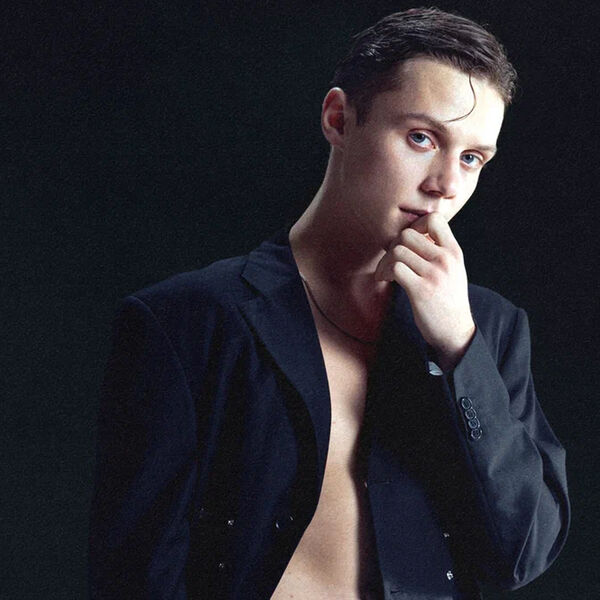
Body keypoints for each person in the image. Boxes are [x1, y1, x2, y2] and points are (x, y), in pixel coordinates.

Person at [89, 7, 570, 599]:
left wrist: (459, 352)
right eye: (421, 138)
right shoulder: (189, 321)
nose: (446, 183)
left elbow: (524, 552)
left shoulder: (489, 330)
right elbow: (135, 576)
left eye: (471, 158)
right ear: (339, 119)